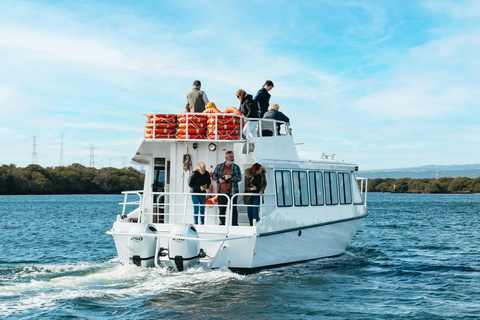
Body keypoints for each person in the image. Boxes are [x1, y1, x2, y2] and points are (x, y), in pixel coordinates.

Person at [212, 151, 242, 226]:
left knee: (233, 209)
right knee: (222, 209)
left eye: (233, 157)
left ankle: (234, 225)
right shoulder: (219, 166)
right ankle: (222, 224)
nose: (233, 158)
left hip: (233, 192)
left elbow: (239, 178)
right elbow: (213, 176)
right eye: (231, 157)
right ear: (226, 158)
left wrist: (231, 177)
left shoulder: (236, 167)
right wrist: (219, 180)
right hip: (221, 192)